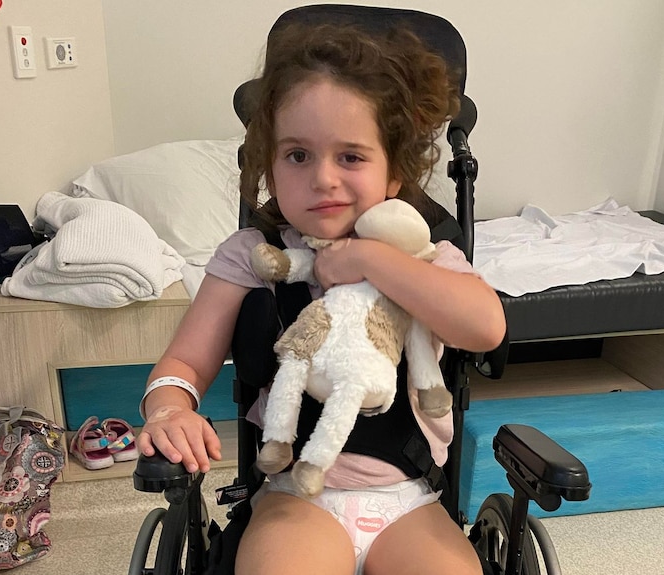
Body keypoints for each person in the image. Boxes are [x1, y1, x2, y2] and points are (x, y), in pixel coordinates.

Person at [137, 22, 506, 575]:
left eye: (352, 157)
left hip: (410, 499)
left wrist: (370, 260)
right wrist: (168, 407)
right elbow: (185, 362)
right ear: (270, 166)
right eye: (298, 156)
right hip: (294, 496)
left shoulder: (430, 260)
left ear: (394, 174)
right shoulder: (251, 256)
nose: (322, 179)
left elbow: (486, 328)